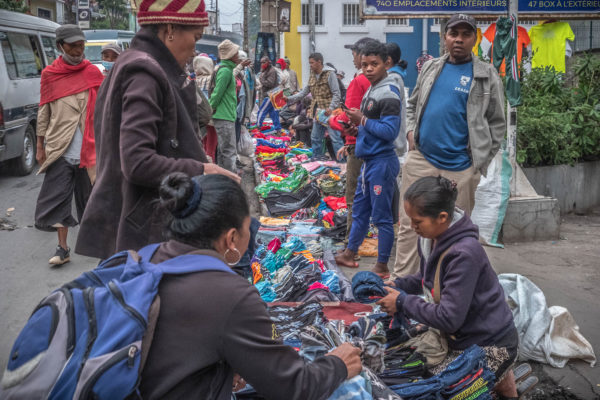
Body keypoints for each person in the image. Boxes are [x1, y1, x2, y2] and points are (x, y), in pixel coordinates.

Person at [139, 172, 362, 399]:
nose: (251, 236)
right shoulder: (231, 295)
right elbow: (292, 386)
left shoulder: (144, 259)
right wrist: (338, 363)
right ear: (232, 238)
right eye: (249, 227)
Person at [75, 0, 239, 260]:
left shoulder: (134, 63)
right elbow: (137, 161)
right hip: (143, 231)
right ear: (170, 29)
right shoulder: (145, 72)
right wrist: (202, 169)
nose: (196, 49)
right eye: (195, 37)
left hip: (136, 223)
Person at [377, 176, 519, 399]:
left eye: (417, 222)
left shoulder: (464, 254)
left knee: (439, 390)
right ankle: (502, 382)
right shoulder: (431, 238)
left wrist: (402, 301)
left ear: (442, 218)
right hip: (461, 335)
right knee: (409, 362)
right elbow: (426, 280)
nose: (412, 227)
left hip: (489, 343)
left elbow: (449, 318)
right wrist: (397, 285)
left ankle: (498, 376)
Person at [392, 13, 506, 278]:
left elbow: (497, 124)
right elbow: (412, 104)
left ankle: (443, 289)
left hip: (460, 168)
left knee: (453, 230)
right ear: (444, 37)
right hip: (422, 159)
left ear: (474, 39)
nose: (459, 40)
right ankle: (403, 283)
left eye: (466, 35)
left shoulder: (486, 76)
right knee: (411, 223)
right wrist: (411, 133)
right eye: (454, 34)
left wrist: (478, 163)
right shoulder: (432, 67)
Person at [34, 24, 104, 265]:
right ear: (60, 46)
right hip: (60, 149)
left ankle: (97, 246)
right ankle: (62, 249)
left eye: (81, 45)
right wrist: (40, 144)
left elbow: (105, 109)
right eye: (73, 46)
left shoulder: (93, 72)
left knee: (91, 202)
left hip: (90, 151)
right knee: (59, 201)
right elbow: (44, 111)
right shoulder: (50, 75)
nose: (78, 50)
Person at [334, 41, 401, 277]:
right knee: (360, 210)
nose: (368, 69)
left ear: (387, 64)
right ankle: (350, 253)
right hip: (369, 162)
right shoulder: (372, 89)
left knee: (382, 217)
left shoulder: (388, 92)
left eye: (374, 64)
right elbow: (373, 126)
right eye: (365, 65)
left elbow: (389, 132)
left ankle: (382, 266)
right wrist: (356, 131)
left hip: (382, 162)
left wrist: (362, 120)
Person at [336, 37, 375, 244]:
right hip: (373, 143)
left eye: (353, 55)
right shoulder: (380, 82)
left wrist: (332, 120)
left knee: (354, 195)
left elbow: (347, 117)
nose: (353, 59)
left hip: (357, 142)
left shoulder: (358, 81)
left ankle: (352, 242)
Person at [285, 53, 343, 159]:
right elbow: (304, 92)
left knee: (336, 139)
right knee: (315, 137)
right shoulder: (312, 75)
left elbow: (336, 93)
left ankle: (343, 164)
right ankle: (317, 160)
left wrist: (331, 108)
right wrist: (289, 99)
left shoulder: (330, 74)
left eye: (312, 63)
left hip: (331, 113)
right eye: (309, 63)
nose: (310, 65)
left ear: (319, 62)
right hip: (318, 112)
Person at [209, 39, 242, 173]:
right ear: (230, 55)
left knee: (223, 151)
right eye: (236, 53)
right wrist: (210, 110)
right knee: (228, 151)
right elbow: (217, 94)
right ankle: (231, 179)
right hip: (224, 116)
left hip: (225, 115)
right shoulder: (226, 71)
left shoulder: (227, 69)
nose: (238, 56)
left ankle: (224, 177)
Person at [256, 56, 282, 131]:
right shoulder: (265, 70)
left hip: (271, 94)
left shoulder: (272, 71)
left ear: (268, 62)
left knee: (262, 111)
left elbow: (270, 83)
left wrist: (261, 80)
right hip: (273, 94)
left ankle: (258, 127)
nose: (262, 64)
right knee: (273, 113)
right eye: (261, 62)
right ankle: (278, 129)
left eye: (264, 62)